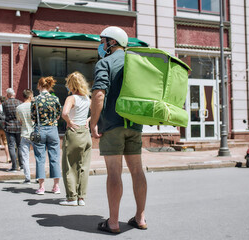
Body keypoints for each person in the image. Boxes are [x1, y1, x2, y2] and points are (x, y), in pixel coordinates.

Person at [90, 26, 147, 233]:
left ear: (112, 42)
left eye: (103, 40)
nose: (101, 44)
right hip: (134, 124)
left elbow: (98, 95)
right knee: (137, 171)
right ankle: (140, 218)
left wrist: (93, 122)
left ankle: (113, 222)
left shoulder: (104, 62)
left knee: (114, 172)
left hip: (112, 125)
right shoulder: (136, 63)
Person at [60, 72, 92, 206]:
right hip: (86, 133)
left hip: (74, 133)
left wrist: (69, 122)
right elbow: (97, 111)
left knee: (69, 166)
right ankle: (81, 198)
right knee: (83, 167)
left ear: (71, 85)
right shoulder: (87, 98)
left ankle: (71, 198)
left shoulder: (71, 98)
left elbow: (64, 113)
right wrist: (89, 120)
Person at [31, 76, 62, 195]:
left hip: (40, 129)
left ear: (39, 86)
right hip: (53, 129)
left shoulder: (35, 99)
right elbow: (58, 115)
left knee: (40, 158)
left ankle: (41, 187)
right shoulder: (55, 99)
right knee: (54, 158)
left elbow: (33, 117)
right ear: (49, 86)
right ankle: (56, 186)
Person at [16, 89, 34, 184]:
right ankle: (39, 177)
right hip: (35, 134)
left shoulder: (19, 108)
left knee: (25, 157)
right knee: (39, 156)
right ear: (30, 96)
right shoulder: (34, 106)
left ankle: (28, 178)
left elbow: (20, 121)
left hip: (24, 133)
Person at [2, 88, 23, 172]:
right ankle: (21, 165)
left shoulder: (5, 103)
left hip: (9, 126)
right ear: (13, 94)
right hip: (18, 126)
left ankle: (14, 166)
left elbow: (4, 114)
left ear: (7, 95)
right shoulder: (19, 102)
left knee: (11, 146)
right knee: (20, 146)